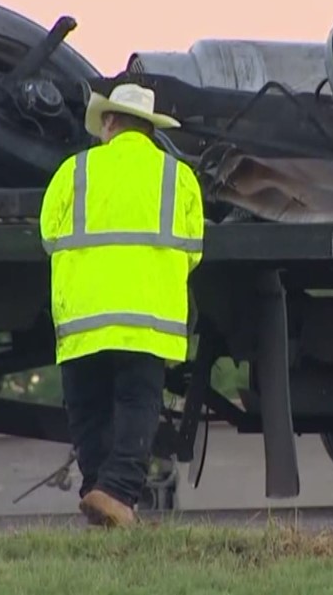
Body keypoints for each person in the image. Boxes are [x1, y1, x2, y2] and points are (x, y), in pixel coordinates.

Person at [39, 83, 205, 527]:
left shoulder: (75, 171)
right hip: (147, 317)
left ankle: (99, 488)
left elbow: (49, 236)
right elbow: (192, 248)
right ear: (148, 130)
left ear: (109, 123)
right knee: (137, 403)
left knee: (88, 407)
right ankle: (115, 493)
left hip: (83, 316)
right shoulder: (177, 176)